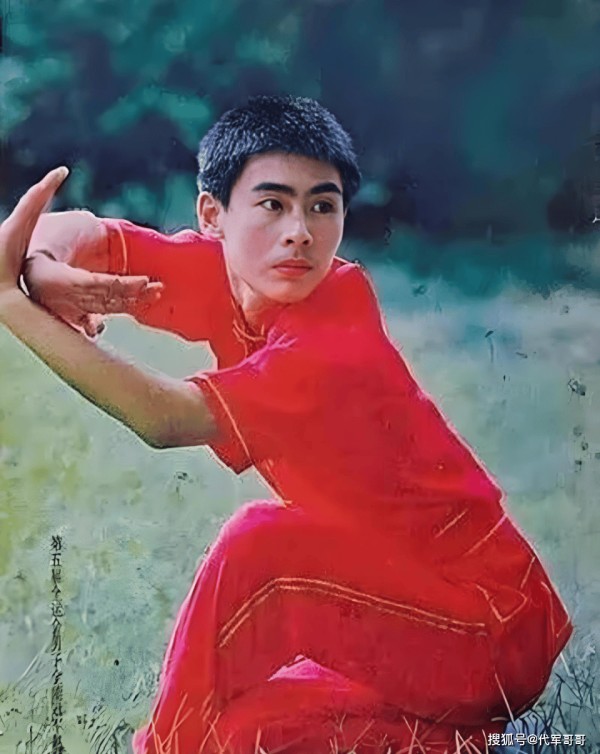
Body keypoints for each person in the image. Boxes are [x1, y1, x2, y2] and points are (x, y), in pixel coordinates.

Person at [1, 97, 572, 754]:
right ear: (213, 216)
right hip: (400, 603)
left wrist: (13, 303)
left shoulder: (330, 338)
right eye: (272, 204)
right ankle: (461, 742)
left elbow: (163, 419)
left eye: (322, 206)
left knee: (262, 546)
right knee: (238, 737)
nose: (298, 231)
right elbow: (84, 231)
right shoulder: (235, 277)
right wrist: (44, 267)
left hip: (489, 629)